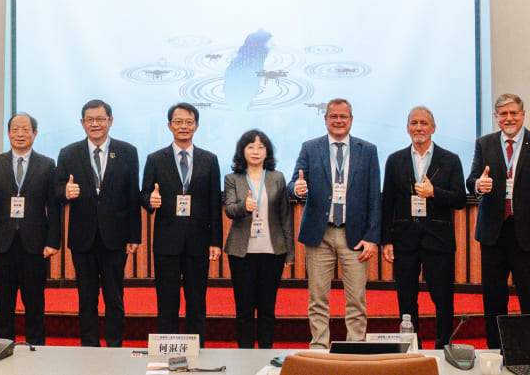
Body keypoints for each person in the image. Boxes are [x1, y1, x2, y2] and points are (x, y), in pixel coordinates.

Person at [465, 93, 530, 349]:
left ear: (523, 115)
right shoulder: (484, 144)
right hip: (493, 235)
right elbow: (472, 179)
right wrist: (478, 184)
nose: (508, 119)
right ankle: (496, 351)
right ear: (496, 117)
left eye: (513, 113)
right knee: (493, 299)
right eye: (503, 114)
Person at [288, 98, 381, 349]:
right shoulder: (310, 148)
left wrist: (373, 238)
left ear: (351, 119)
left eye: (343, 116)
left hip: (356, 237)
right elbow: (293, 183)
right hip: (320, 234)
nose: (338, 121)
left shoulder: (368, 150)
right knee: (317, 298)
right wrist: (297, 189)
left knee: (356, 300)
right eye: (333, 116)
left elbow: (375, 196)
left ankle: (355, 348)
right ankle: (319, 347)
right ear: (326, 119)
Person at [55, 99, 140, 347]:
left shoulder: (128, 152)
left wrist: (134, 236)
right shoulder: (68, 153)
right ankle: (89, 348)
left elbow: (132, 196)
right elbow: (57, 190)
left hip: (115, 238)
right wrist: (65, 192)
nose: (95, 124)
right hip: (83, 238)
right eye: (89, 120)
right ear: (82, 123)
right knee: (86, 298)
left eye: (100, 119)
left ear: (110, 121)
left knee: (115, 298)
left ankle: (115, 347)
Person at [381, 106, 466, 349]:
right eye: (414, 123)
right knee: (406, 299)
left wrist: (434, 192)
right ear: (408, 128)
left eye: (424, 123)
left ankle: (443, 347)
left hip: (438, 240)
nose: (419, 128)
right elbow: (387, 202)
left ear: (433, 128)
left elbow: (460, 198)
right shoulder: (394, 160)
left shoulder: (450, 159)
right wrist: (386, 240)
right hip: (404, 240)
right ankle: (411, 348)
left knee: (443, 300)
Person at [140, 102, 222, 347]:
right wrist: (149, 201)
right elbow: (143, 194)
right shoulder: (155, 159)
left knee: (197, 302)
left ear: (196, 125)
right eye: (178, 122)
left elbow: (213, 203)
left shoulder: (210, 160)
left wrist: (215, 242)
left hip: (199, 242)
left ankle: (198, 351)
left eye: (189, 122)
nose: (183, 126)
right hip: (167, 242)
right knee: (167, 302)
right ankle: (166, 351)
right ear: (169, 126)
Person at [0, 114, 60, 345]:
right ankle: (4, 345)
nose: (20, 134)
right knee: (3, 302)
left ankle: (36, 347)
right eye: (15, 129)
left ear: (34, 133)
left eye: (25, 129)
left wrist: (53, 241)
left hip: (35, 245)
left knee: (35, 301)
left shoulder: (47, 164)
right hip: (3, 244)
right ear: (8, 133)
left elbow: (53, 207)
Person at [223, 129, 294, 348]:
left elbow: (285, 216)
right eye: (250, 147)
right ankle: (244, 355)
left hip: (272, 252)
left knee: (267, 308)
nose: (255, 151)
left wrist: (289, 252)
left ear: (267, 152)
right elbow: (230, 210)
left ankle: (265, 354)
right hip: (241, 252)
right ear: (242, 151)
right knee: (244, 309)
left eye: (260, 147)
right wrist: (244, 206)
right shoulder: (232, 178)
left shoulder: (277, 177)